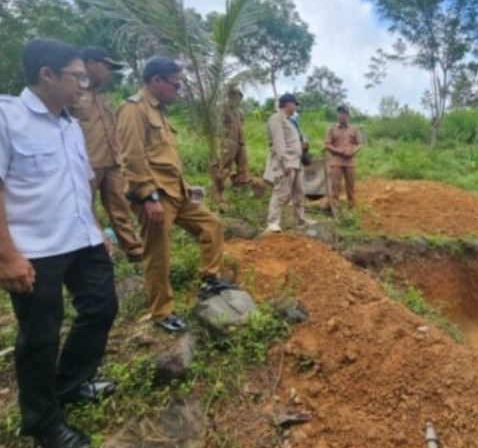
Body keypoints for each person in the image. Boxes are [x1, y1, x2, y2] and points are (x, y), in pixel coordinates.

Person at [0, 38, 118, 448]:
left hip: (81, 239)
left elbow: (77, 184)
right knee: (39, 337)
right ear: (47, 74)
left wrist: (97, 229)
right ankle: (43, 422)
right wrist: (7, 255)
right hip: (35, 249)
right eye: (78, 76)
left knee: (102, 307)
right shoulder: (6, 117)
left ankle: (69, 386)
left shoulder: (69, 124)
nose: (83, 84)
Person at [117, 56, 236, 334]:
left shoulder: (159, 111)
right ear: (156, 81)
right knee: (158, 255)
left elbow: (163, 157)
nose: (178, 91)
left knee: (211, 225)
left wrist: (187, 187)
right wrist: (148, 198)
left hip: (176, 194)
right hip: (156, 197)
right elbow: (132, 158)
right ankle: (161, 312)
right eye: (175, 85)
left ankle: (211, 278)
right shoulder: (133, 109)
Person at [72, 47, 143, 263]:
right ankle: (95, 251)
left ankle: (134, 251)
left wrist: (120, 156)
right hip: (87, 164)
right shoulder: (72, 94)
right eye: (106, 66)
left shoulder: (103, 97)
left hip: (112, 162)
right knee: (84, 209)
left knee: (119, 206)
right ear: (90, 64)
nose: (109, 72)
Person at [263, 93, 316, 233]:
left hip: (297, 162)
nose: (295, 107)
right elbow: (279, 142)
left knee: (299, 194)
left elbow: (291, 141)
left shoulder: (289, 121)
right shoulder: (276, 119)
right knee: (281, 192)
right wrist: (284, 163)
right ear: (288, 104)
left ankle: (300, 220)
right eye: (294, 104)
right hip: (286, 163)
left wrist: (302, 147)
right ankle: (273, 222)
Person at [324, 105, 361, 211]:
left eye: (344, 113)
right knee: (335, 187)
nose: (342, 115)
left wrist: (353, 151)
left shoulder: (353, 129)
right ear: (337, 115)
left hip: (350, 162)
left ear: (348, 115)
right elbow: (327, 144)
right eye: (340, 113)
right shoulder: (331, 129)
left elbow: (359, 144)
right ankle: (335, 210)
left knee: (351, 187)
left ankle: (351, 210)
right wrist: (339, 151)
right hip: (336, 162)